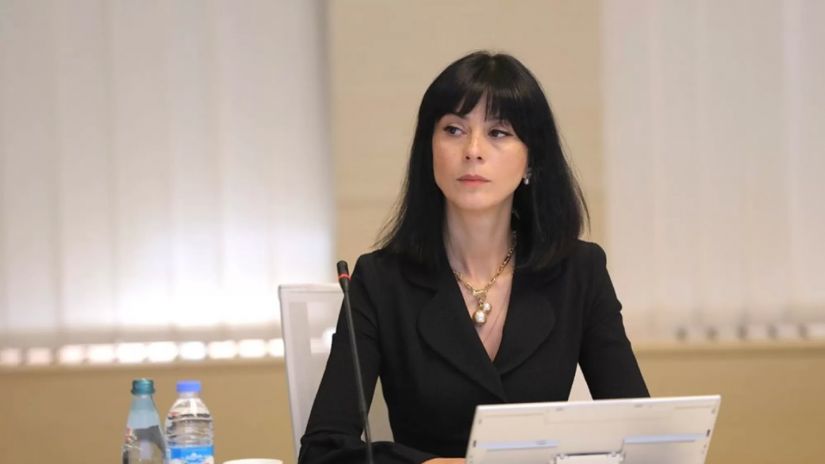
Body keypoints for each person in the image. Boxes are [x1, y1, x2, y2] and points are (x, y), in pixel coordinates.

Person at [298, 51, 648, 464]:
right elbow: (322, 451)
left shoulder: (579, 272)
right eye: (454, 129)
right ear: (429, 149)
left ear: (532, 159)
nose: (473, 150)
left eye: (498, 132)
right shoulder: (379, 280)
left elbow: (639, 438)